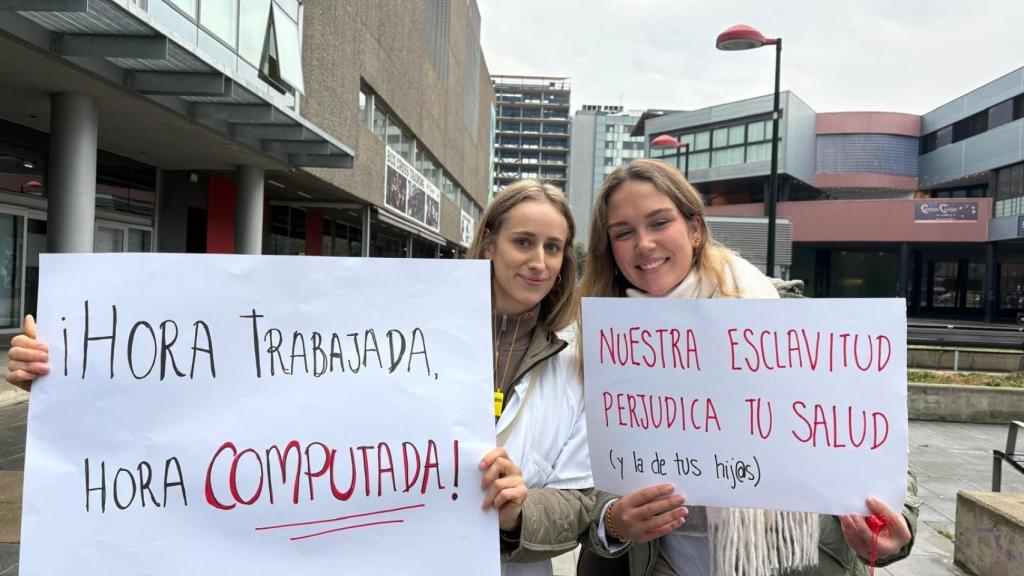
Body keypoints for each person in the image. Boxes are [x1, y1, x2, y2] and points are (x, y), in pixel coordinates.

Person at [7, 179, 593, 576]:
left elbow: (580, 503)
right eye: (522, 241)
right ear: (488, 241)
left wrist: (519, 514)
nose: (538, 262)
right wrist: (72, 379)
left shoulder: (573, 361)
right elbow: (242, 385)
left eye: (553, 247)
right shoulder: (399, 320)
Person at [575, 159, 921, 576]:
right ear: (610, 247)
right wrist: (614, 520)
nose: (644, 243)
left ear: (695, 228)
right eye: (624, 232)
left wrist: (897, 526)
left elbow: (871, 438)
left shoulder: (789, 324)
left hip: (800, 561)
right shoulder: (602, 345)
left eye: (659, 222)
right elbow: (580, 477)